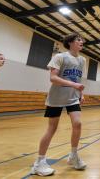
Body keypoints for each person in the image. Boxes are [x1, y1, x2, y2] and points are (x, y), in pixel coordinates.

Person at [31, 33, 86, 176]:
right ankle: (39, 162)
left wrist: (81, 94)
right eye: (79, 39)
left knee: (78, 124)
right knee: (52, 128)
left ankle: (73, 156)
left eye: (82, 40)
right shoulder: (60, 57)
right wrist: (74, 84)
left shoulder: (82, 60)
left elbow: (78, 78)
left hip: (72, 98)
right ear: (70, 43)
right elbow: (53, 78)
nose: (82, 42)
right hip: (56, 98)